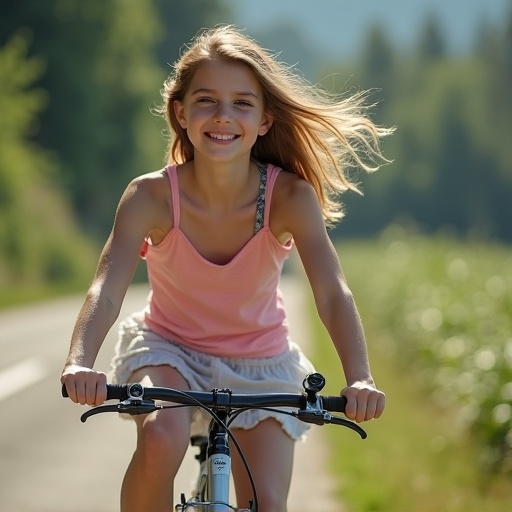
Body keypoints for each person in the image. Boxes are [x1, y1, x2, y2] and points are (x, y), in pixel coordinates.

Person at [61, 25, 391, 512]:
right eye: (206, 100)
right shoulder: (149, 196)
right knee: (159, 439)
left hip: (261, 362)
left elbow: (331, 293)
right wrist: (79, 360)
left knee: (268, 502)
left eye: (242, 103)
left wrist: (359, 376)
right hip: (167, 351)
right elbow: (105, 290)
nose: (223, 116)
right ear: (181, 112)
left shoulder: (290, 198)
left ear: (263, 120)